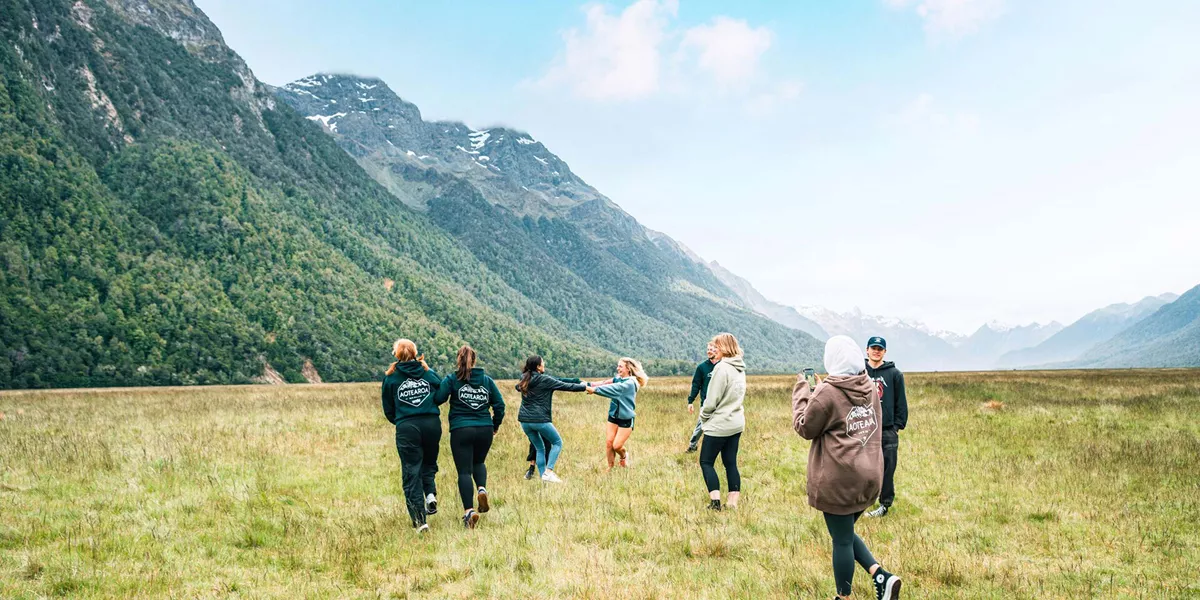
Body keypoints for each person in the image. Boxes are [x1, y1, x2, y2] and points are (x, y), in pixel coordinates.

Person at [792, 335, 902, 600]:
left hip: (840, 479)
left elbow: (805, 427)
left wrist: (801, 392)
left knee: (841, 540)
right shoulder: (867, 384)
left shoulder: (827, 393)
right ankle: (880, 576)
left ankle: (844, 597)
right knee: (845, 532)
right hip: (870, 476)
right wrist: (821, 391)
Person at [434, 345, 504, 529]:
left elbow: (438, 398)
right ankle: (482, 488)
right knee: (479, 462)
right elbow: (500, 404)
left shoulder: (452, 379)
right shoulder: (487, 381)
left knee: (464, 472)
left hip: (461, 429)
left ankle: (469, 512)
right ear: (475, 360)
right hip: (484, 428)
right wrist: (495, 424)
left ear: (458, 360)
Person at [381, 339, 444, 534]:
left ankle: (420, 521)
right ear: (415, 353)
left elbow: (388, 409)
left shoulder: (391, 377)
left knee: (411, 472)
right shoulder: (426, 372)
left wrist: (402, 420)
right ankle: (430, 494)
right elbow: (441, 388)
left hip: (407, 426)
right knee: (429, 462)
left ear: (396, 354)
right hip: (432, 424)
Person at [516, 355, 588, 483]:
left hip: (525, 421)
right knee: (557, 442)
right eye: (543, 363)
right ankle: (549, 471)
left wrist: (578, 381)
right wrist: (585, 387)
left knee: (539, 448)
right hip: (540, 420)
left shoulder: (524, 378)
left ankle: (544, 478)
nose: (544, 365)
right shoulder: (544, 379)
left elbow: (518, 387)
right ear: (538, 366)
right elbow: (566, 386)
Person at [698, 333, 746, 510]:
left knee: (706, 462)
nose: (713, 350)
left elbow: (711, 401)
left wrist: (703, 416)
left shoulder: (721, 368)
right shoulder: (740, 367)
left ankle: (715, 502)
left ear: (724, 348)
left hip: (719, 424)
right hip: (736, 422)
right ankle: (732, 504)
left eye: (717, 346)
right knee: (730, 463)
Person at [863, 336, 907, 518]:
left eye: (880, 348)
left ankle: (884, 505)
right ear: (867, 350)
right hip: (864, 427)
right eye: (873, 348)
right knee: (862, 466)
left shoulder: (895, 374)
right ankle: (860, 501)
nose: (876, 351)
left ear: (884, 352)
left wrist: (896, 426)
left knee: (888, 468)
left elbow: (901, 402)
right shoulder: (859, 372)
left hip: (887, 429)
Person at [587, 357, 648, 471]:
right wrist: (588, 384)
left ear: (628, 368)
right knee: (609, 443)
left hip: (626, 418)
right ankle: (610, 468)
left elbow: (612, 388)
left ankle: (624, 455)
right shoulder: (618, 378)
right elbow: (604, 383)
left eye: (620, 366)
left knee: (617, 446)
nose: (617, 368)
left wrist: (595, 391)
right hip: (613, 416)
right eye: (618, 365)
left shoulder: (630, 383)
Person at [685, 342, 720, 453]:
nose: (709, 351)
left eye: (712, 349)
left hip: (721, 403)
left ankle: (719, 448)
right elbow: (696, 385)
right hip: (706, 403)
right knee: (701, 425)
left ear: (718, 350)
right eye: (708, 349)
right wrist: (690, 401)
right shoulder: (702, 367)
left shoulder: (723, 366)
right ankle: (692, 446)